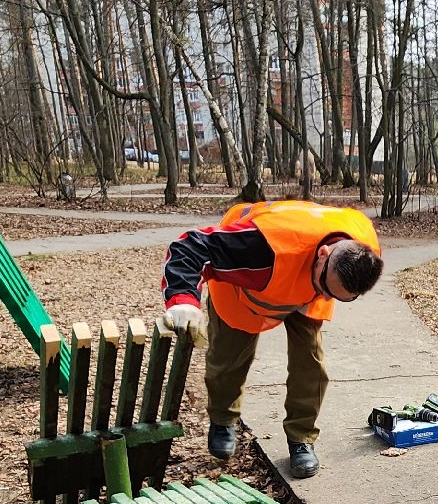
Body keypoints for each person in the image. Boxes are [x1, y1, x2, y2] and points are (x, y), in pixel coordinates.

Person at [159, 200, 385, 478]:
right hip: (247, 288)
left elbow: (330, 286)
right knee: (228, 358)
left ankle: (301, 438)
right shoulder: (259, 246)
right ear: (323, 254)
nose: (327, 298)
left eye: (338, 297)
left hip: (305, 281)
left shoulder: (364, 251)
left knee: (310, 364)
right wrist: (182, 299)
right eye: (328, 289)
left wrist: (323, 288)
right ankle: (222, 419)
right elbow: (189, 247)